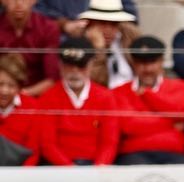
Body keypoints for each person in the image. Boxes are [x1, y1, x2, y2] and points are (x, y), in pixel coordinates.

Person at [112, 36, 184, 164]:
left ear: (161, 61)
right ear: (133, 63)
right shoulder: (119, 92)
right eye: (141, 63)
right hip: (133, 153)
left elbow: (179, 112)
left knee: (183, 170)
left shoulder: (180, 86)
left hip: (174, 152)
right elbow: (129, 126)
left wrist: (147, 94)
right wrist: (170, 123)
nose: (147, 69)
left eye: (152, 62)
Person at [39, 37, 119, 165]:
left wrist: (98, 168)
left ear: (91, 64)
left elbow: (109, 142)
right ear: (60, 65)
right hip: (60, 167)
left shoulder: (105, 97)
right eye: (69, 65)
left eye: (81, 65)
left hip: (95, 165)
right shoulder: (49, 97)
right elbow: (48, 144)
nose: (74, 71)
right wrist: (72, 170)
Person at [0, 0, 60, 97]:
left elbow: (52, 79)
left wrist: (21, 96)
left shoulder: (48, 28)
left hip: (37, 97)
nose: (19, 4)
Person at [78, 0, 138, 89]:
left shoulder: (129, 36)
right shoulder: (80, 44)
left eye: (114, 24)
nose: (108, 30)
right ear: (91, 23)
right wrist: (99, 51)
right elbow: (95, 84)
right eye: (102, 23)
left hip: (131, 96)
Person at [0, 53, 40, 166]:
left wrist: (22, 177)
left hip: (19, 172)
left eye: (11, 85)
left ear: (19, 87)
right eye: (0, 84)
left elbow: (33, 151)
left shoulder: (32, 107)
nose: (4, 91)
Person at [34, 0, 138, 35]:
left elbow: (131, 16)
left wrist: (113, 25)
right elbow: (35, 11)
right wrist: (63, 24)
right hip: (63, 39)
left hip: (115, 40)